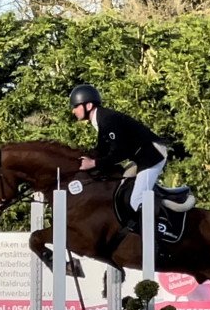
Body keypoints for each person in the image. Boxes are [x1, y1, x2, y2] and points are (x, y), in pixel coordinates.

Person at [70, 84, 167, 225]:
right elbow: (103, 150)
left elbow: (120, 152)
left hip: (152, 155)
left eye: (76, 106)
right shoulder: (100, 119)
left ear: (89, 105)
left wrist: (93, 163)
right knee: (122, 187)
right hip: (141, 156)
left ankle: (157, 237)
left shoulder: (107, 119)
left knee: (136, 200)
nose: (73, 111)